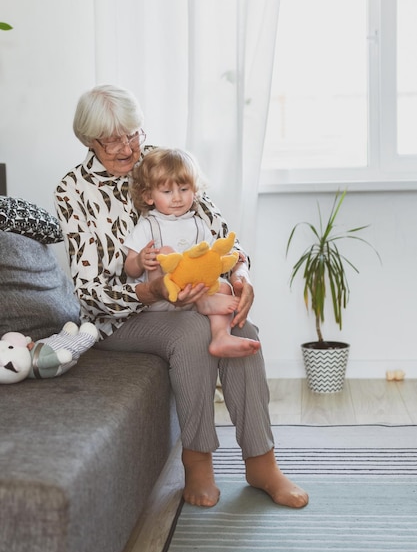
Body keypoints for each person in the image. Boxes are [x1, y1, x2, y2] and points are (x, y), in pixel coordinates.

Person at [54, 83, 309, 510]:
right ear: (88, 140)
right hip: (121, 316)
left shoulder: (161, 162)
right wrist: (154, 289)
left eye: (133, 133)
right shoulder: (74, 190)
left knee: (241, 324)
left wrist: (242, 274)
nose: (128, 146)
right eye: (112, 139)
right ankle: (198, 464)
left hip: (189, 297)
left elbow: (222, 234)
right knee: (193, 331)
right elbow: (90, 291)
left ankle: (262, 461)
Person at [124, 146, 261, 358]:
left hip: (196, 291)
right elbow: (130, 268)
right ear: (149, 196)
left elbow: (211, 257)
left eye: (184, 189)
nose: (177, 198)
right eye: (167, 192)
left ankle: (220, 337)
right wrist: (140, 260)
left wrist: (232, 259)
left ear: (195, 191)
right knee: (167, 252)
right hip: (163, 299)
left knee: (224, 288)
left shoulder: (198, 224)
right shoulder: (148, 225)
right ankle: (203, 303)